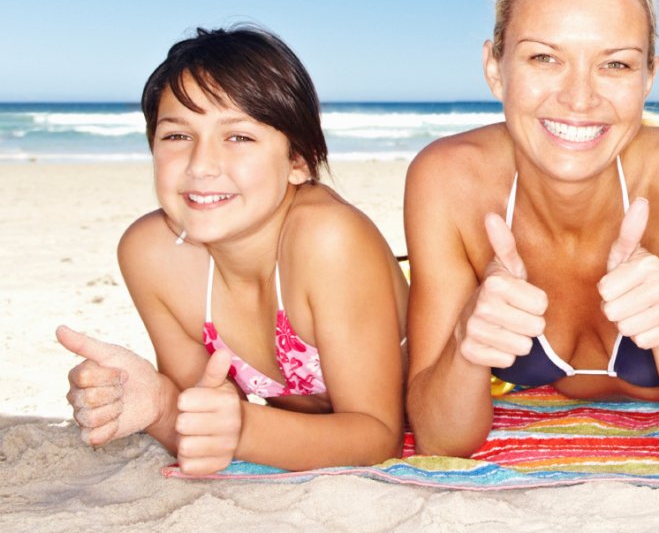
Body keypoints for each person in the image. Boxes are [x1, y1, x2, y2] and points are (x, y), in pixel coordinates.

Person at [403, 0, 659, 459]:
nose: (578, 98)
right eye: (544, 58)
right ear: (494, 68)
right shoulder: (447, 179)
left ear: (647, 78)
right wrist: (465, 345)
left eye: (615, 64)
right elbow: (440, 441)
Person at [57, 27, 408, 474]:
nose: (201, 165)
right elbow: (205, 427)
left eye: (238, 137)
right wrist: (158, 404)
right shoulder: (150, 254)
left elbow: (378, 439)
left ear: (297, 161)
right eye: (177, 136)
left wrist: (243, 428)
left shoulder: (328, 239)